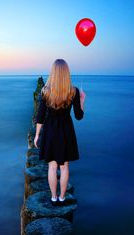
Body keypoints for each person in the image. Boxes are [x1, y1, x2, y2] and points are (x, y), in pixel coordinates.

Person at [34, 59, 86, 206]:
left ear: (53, 72)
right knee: (64, 166)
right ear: (66, 73)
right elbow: (79, 116)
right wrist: (82, 102)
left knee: (52, 166)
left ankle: (53, 197)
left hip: (50, 130)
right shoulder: (73, 91)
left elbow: (40, 116)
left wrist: (37, 135)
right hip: (66, 131)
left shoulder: (45, 90)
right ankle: (62, 197)